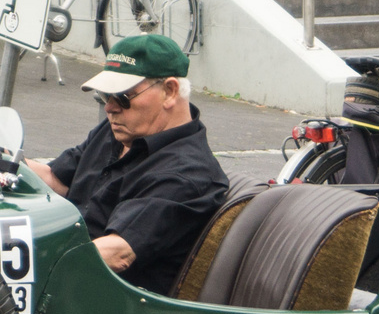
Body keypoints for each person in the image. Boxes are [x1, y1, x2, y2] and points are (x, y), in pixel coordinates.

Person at [26, 35, 229, 295]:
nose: (110, 107)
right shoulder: (120, 130)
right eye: (106, 95)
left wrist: (26, 256)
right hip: (67, 279)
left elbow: (117, 253)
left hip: (103, 302)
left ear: (169, 91)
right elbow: (56, 180)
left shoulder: (186, 173)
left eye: (122, 97)